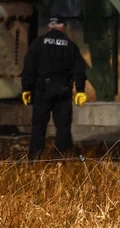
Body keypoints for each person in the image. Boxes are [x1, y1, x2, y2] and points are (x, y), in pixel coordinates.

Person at [21, 16, 87, 159]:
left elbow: (29, 67)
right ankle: (63, 158)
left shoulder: (38, 43)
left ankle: (34, 157)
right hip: (63, 91)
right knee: (63, 126)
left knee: (39, 125)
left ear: (49, 27)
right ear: (63, 27)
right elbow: (79, 69)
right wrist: (80, 90)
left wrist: (26, 88)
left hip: (42, 90)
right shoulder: (70, 45)